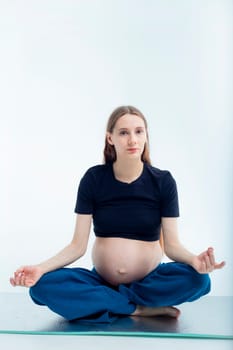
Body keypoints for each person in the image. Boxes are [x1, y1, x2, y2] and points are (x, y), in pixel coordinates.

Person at [10, 105, 225, 323]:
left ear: (146, 135)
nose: (132, 140)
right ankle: (136, 308)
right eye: (123, 132)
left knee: (201, 281)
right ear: (110, 138)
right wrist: (40, 268)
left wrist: (194, 261)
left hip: (149, 282)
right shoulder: (94, 179)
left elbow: (172, 247)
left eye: (139, 131)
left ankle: (112, 303)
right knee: (40, 288)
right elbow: (77, 246)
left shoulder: (163, 182)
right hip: (100, 280)